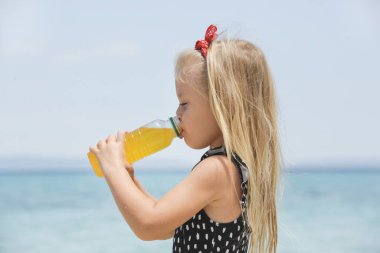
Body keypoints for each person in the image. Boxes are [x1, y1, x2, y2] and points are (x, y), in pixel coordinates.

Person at [89, 24, 282, 253]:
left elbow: (149, 224)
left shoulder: (218, 169)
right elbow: (164, 226)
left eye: (184, 103)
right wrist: (129, 178)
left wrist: (112, 168)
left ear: (223, 104)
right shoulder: (232, 168)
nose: (177, 114)